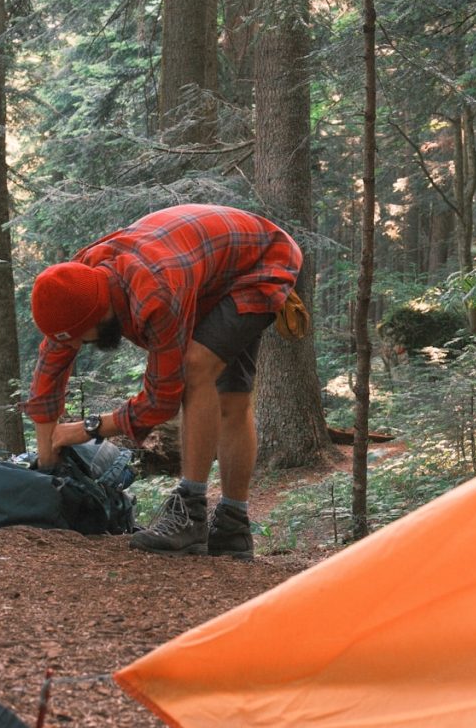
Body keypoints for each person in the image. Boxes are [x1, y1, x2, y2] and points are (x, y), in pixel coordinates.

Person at [24, 203, 302, 559]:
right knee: (229, 397)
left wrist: (85, 429)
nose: (77, 345)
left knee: (196, 369)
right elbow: (50, 370)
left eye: (80, 337)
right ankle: (234, 530)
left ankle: (191, 514)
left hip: (262, 261)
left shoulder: (155, 293)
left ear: (100, 313)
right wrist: (47, 460)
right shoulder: (73, 286)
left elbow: (162, 400)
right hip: (210, 265)